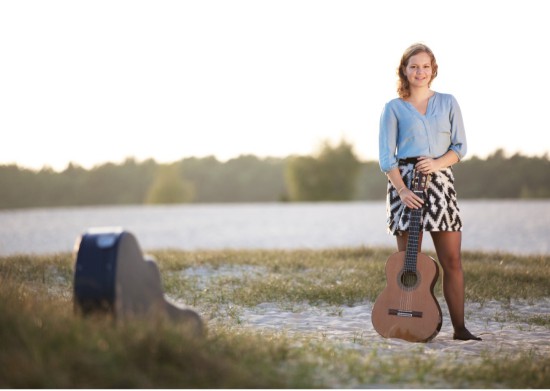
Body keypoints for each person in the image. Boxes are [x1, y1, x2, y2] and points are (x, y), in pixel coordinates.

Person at [378, 43, 481, 341]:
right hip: (405, 185)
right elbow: (387, 158)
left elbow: (460, 148)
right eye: (413, 66)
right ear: (404, 70)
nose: (419, 72)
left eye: (425, 66)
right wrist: (402, 190)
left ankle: (460, 329)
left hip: (440, 185)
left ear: (433, 69)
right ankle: (407, 322)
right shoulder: (393, 108)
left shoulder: (448, 102)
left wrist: (436, 163)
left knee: (451, 261)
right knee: (408, 265)